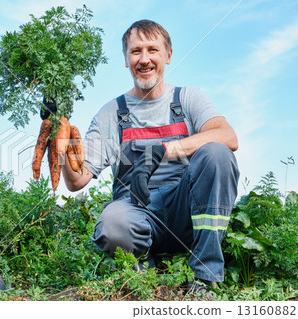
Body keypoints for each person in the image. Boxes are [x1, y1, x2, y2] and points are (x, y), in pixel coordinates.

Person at [62, 19, 239, 292]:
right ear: (125, 59)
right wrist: (58, 143)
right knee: (112, 222)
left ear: (168, 55)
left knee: (217, 153)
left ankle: (205, 274)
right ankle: (145, 269)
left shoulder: (188, 98)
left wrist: (163, 151)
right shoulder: (112, 113)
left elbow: (228, 137)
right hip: (137, 210)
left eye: (152, 50)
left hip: (186, 209)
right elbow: (76, 181)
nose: (144, 60)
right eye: (135, 52)